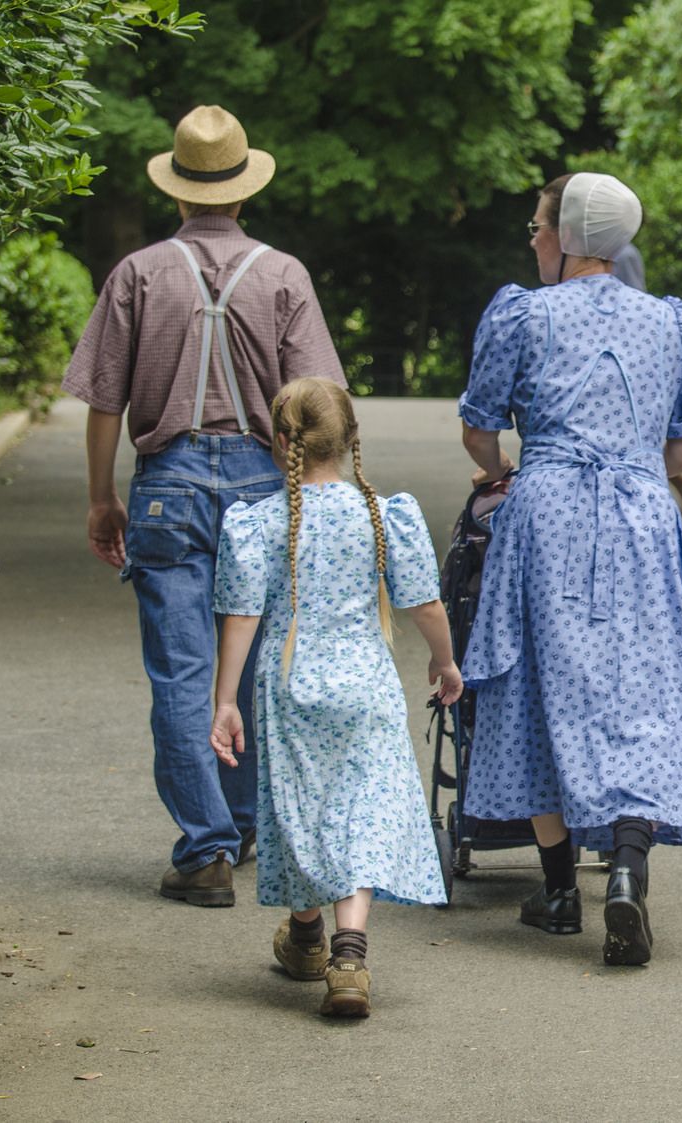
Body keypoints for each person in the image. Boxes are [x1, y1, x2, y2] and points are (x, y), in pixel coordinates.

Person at [61, 105, 343, 906]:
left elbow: (104, 402)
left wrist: (101, 497)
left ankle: (205, 848)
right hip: (262, 481)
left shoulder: (138, 273)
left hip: (168, 484)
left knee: (182, 672)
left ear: (178, 192)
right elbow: (316, 399)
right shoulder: (284, 274)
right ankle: (246, 819)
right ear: (243, 190)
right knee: (251, 664)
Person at [458, 172, 682, 967]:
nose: (534, 240)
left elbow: (480, 426)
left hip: (546, 508)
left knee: (536, 682)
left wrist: (503, 463)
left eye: (538, 227)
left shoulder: (524, 312)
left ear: (567, 236)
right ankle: (627, 868)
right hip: (643, 514)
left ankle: (555, 892)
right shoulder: (668, 322)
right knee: (639, 683)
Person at [209, 378, 460, 1018]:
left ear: (280, 442)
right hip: (365, 685)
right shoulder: (380, 516)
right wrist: (445, 659)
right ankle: (349, 954)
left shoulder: (261, 520)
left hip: (290, 683)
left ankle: (306, 933)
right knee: (363, 808)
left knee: (299, 806)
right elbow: (424, 602)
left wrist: (225, 700)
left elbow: (240, 614)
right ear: (351, 441)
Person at [613, 242, 682, 530]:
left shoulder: (618, 253)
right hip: (638, 344)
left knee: (636, 440)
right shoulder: (626, 251)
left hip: (628, 347)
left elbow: (631, 293)